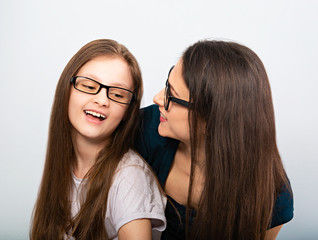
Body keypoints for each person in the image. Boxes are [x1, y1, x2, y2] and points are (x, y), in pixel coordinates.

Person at [135, 40, 294, 240]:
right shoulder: (144, 129)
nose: (158, 98)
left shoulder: (272, 194)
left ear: (212, 122)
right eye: (167, 84)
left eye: (171, 96)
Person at [30, 39, 166, 240]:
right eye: (88, 85)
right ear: (66, 89)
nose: (102, 100)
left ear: (128, 111)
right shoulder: (62, 163)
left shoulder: (129, 178)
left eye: (118, 95)